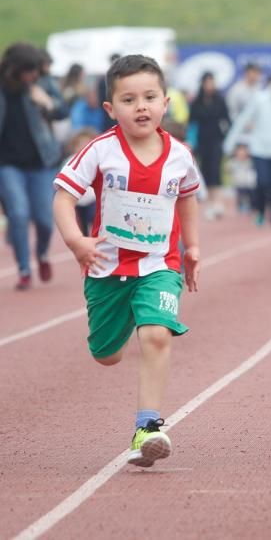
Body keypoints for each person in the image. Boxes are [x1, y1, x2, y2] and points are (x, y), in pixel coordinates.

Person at [51, 54, 201, 467]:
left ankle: (148, 426)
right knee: (107, 354)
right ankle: (128, 317)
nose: (141, 107)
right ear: (110, 108)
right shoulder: (101, 151)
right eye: (129, 99)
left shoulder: (180, 156)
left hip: (159, 264)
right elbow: (63, 196)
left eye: (150, 97)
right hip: (107, 268)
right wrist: (75, 240)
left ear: (165, 103)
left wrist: (192, 248)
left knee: (156, 334)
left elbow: (187, 198)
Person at [0, 42, 69, 290]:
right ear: (14, 70)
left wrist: (46, 102)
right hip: (7, 164)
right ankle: (23, 268)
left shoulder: (43, 85)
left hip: (41, 162)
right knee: (17, 214)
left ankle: (41, 255)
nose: (33, 75)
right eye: (28, 71)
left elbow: (62, 111)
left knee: (44, 220)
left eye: (36, 71)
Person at [224, 70, 271, 227]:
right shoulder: (259, 99)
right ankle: (260, 211)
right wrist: (230, 142)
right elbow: (243, 119)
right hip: (260, 149)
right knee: (263, 182)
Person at [189, 71, 230, 219]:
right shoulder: (197, 102)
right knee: (205, 171)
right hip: (202, 142)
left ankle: (218, 202)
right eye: (207, 82)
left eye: (211, 82)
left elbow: (227, 119)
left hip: (217, 140)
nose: (209, 85)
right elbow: (192, 122)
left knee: (216, 170)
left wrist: (225, 135)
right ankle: (210, 204)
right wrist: (191, 141)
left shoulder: (220, 100)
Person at [228, 143, 256, 213]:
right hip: (239, 183)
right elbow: (228, 169)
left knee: (251, 195)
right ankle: (241, 205)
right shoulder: (233, 162)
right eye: (239, 151)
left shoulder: (250, 162)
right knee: (241, 194)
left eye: (244, 151)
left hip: (249, 184)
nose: (241, 153)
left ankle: (252, 205)